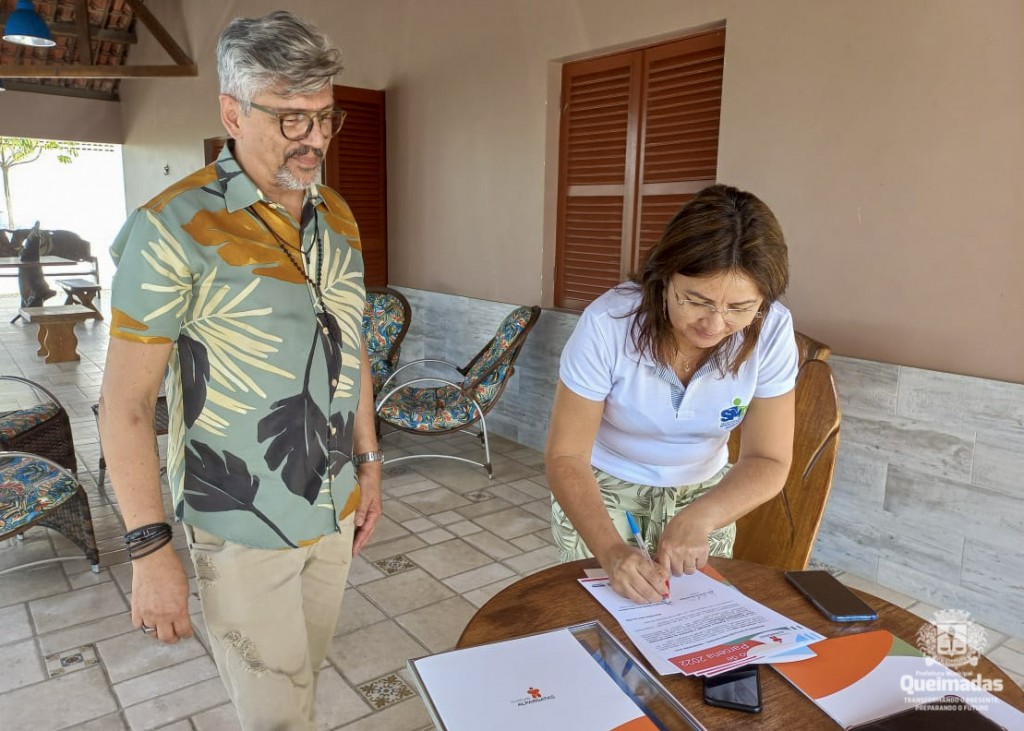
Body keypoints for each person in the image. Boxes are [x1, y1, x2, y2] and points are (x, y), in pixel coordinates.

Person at [98, 11, 382, 730]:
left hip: (334, 508)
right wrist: (149, 549)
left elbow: (354, 347)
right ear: (233, 112)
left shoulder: (340, 219)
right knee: (276, 715)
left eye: (324, 116)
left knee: (303, 681)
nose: (315, 137)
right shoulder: (172, 228)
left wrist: (369, 460)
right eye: (291, 118)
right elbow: (124, 405)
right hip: (242, 521)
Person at [546, 184, 797, 605]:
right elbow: (565, 455)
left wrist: (704, 516)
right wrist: (610, 551)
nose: (714, 325)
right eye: (695, 300)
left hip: (707, 491)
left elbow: (769, 459)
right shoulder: (610, 323)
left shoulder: (771, 330)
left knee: (697, 623)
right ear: (664, 277)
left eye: (740, 308)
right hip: (604, 487)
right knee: (606, 616)